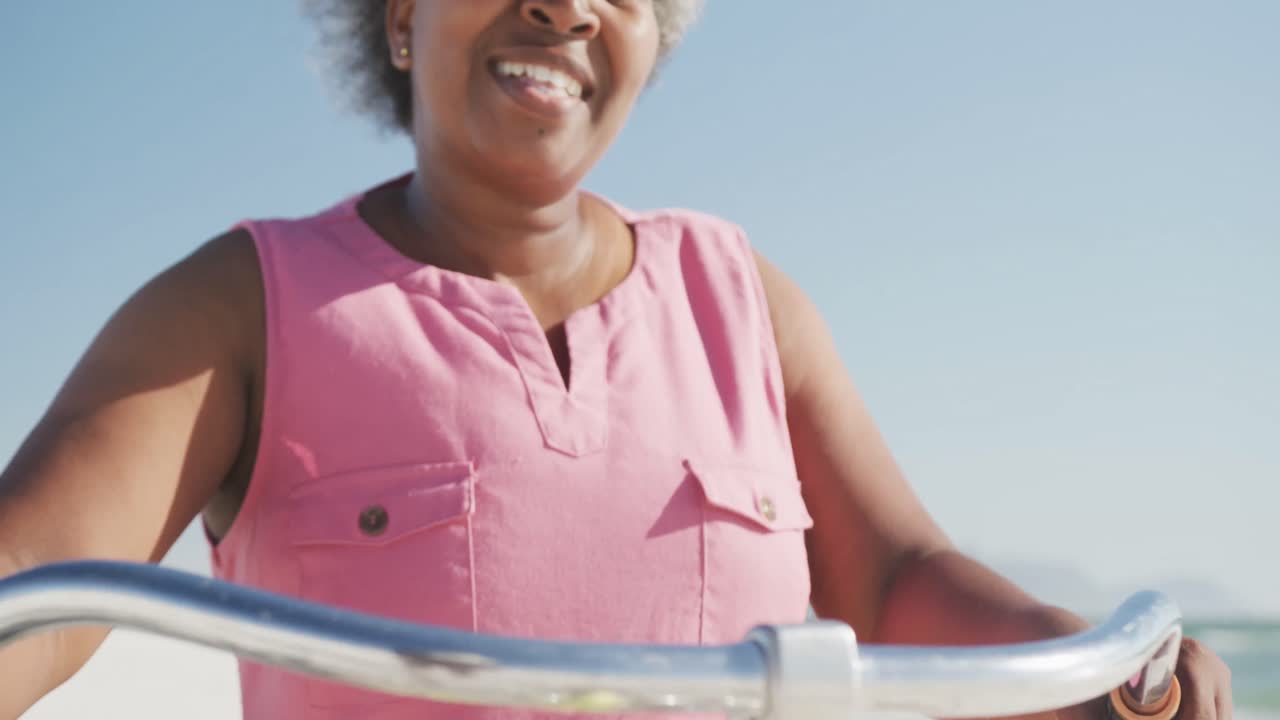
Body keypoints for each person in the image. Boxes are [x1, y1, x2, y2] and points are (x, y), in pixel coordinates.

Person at [0, 2, 1232, 719]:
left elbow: (894, 578)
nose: (566, 4)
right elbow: (39, 580)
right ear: (398, 17)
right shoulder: (236, 307)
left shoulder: (743, 298)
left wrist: (1083, 667)